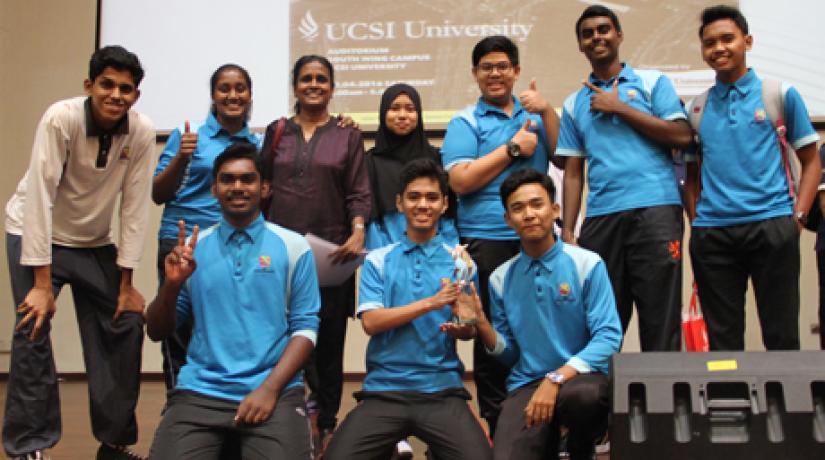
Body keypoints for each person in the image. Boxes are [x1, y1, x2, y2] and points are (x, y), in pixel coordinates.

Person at [3, 46, 153, 460]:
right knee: (32, 325)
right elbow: (40, 197)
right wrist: (40, 284)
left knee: (124, 324)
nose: (116, 95)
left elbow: (135, 209)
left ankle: (114, 442)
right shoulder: (61, 118)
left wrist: (127, 284)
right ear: (89, 86)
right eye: (107, 84)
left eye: (126, 88)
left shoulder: (140, 131)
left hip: (92, 240)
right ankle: (30, 445)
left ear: (135, 96)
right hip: (34, 232)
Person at [146, 142, 320, 459]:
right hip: (200, 391)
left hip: (274, 390)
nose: (237, 187)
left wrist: (269, 389)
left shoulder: (294, 247)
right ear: (214, 188)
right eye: (227, 179)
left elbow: (306, 329)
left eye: (247, 179)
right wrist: (171, 286)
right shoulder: (191, 250)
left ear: (265, 188)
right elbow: (158, 330)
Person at [324, 158, 492, 460]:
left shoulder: (460, 262)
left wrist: (463, 328)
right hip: (384, 389)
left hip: (442, 389)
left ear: (444, 204)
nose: (422, 205)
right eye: (414, 197)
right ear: (400, 203)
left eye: (431, 198)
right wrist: (431, 303)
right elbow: (372, 323)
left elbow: (467, 331)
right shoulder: (378, 260)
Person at [440, 34, 560, 435]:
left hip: (537, 237)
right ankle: (497, 419)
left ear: (516, 71)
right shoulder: (465, 122)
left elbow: (564, 156)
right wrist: (512, 149)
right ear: (475, 74)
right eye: (487, 67)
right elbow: (459, 180)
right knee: (489, 331)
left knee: (545, 323)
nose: (495, 73)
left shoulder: (535, 115)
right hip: (486, 239)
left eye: (503, 66)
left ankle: (550, 410)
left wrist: (549, 112)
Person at [557, 5, 692, 352]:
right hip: (602, 218)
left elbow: (681, 136)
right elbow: (573, 172)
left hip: (656, 211)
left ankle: (663, 405)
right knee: (602, 320)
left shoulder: (653, 81)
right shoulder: (573, 104)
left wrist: (620, 108)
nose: (596, 37)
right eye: (588, 34)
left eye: (603, 29)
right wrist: (569, 230)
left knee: (660, 317)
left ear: (618, 35)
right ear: (579, 45)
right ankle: (601, 404)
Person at [685, 5, 821, 350]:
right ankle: (727, 405)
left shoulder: (778, 94)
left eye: (727, 39)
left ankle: (787, 407)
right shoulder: (695, 108)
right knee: (723, 341)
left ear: (747, 41)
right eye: (710, 42)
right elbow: (691, 174)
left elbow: (811, 161)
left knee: (782, 335)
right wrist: (697, 221)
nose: (719, 48)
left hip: (772, 227)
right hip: (713, 236)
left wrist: (798, 219)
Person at [471, 169, 622, 460]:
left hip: (581, 379)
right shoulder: (501, 278)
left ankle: (581, 446)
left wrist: (555, 379)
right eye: (517, 208)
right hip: (528, 383)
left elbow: (608, 337)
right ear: (507, 220)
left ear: (554, 210)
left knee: (584, 399)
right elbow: (510, 354)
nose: (529, 214)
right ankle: (547, 442)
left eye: (536, 204)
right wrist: (481, 324)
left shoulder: (587, 264)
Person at [260, 54, 371, 452]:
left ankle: (325, 421)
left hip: (331, 257)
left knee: (328, 343)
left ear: (332, 87)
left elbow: (359, 191)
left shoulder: (347, 135)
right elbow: (260, 189)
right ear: (295, 86)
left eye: (322, 79)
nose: (314, 85)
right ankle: (286, 414)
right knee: (282, 336)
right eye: (306, 78)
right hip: (278, 258)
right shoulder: (275, 132)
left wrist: (358, 232)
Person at [152, 63, 260, 392]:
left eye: (240, 88)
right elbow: (158, 194)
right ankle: (178, 403)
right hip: (181, 241)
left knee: (221, 324)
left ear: (250, 95)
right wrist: (181, 158)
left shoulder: (254, 143)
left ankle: (219, 401)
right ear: (213, 95)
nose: (233, 95)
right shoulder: (188, 136)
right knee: (179, 328)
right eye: (224, 88)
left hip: (230, 244)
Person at [366, 83, 458, 250]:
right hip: (389, 256)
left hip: (436, 254)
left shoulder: (437, 157)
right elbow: (373, 223)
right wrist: (386, 259)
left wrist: (446, 254)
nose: (402, 115)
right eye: (394, 108)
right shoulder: (370, 161)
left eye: (410, 109)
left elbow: (447, 217)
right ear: (383, 113)